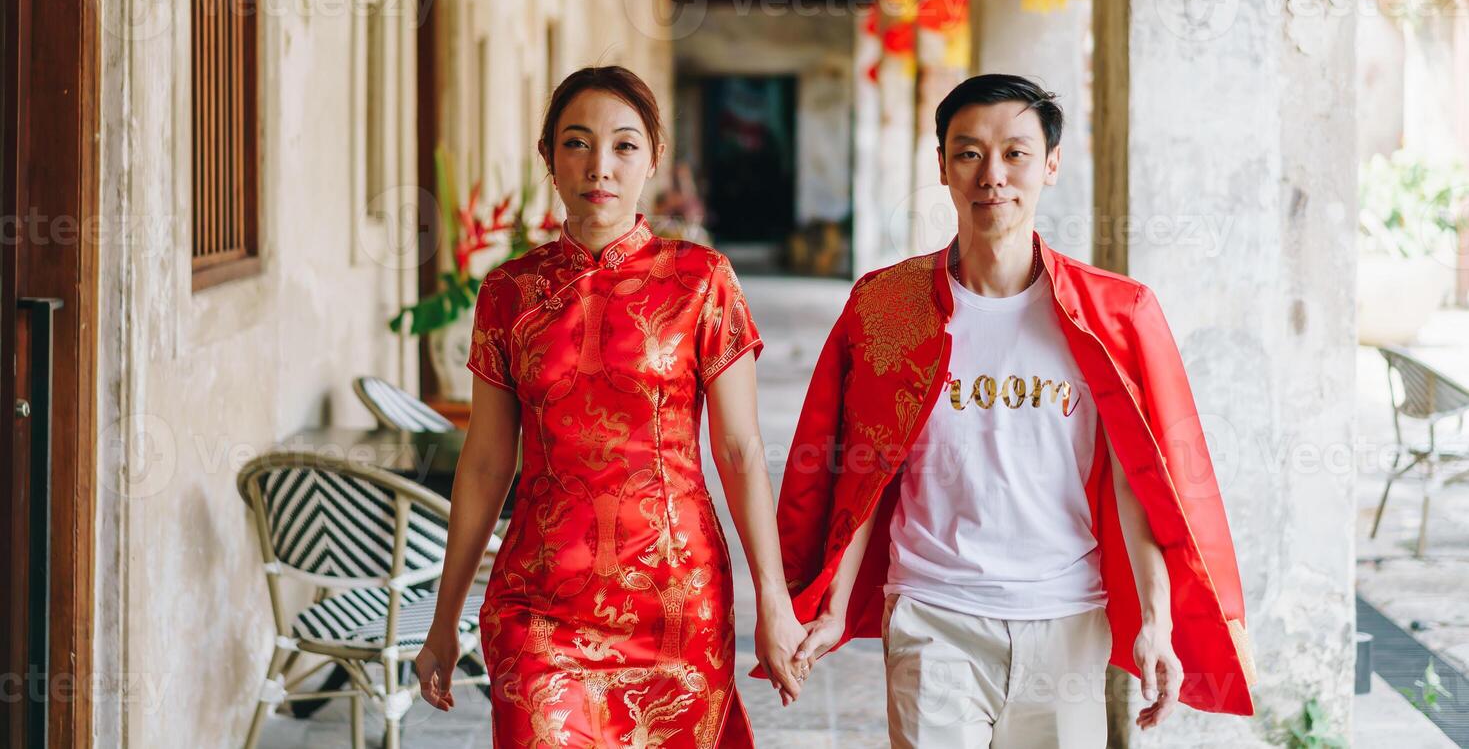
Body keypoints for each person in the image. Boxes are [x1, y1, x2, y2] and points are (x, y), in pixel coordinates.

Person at [774, 74, 1257, 747]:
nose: (991, 175)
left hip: (1067, 619)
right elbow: (861, 462)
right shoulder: (886, 307)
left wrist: (1156, 619)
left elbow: (1139, 481)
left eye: (1015, 154)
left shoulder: (1111, 316)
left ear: (1051, 165)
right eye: (968, 152)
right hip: (931, 611)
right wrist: (829, 607)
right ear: (941, 164)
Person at [416, 65, 808, 747]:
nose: (600, 165)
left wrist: (771, 601)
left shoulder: (701, 281)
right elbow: (484, 462)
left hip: (675, 598)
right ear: (548, 157)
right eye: (576, 143)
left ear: (653, 159)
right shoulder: (509, 292)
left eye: (624, 145)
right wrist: (444, 617)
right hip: (536, 600)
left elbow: (740, 451)